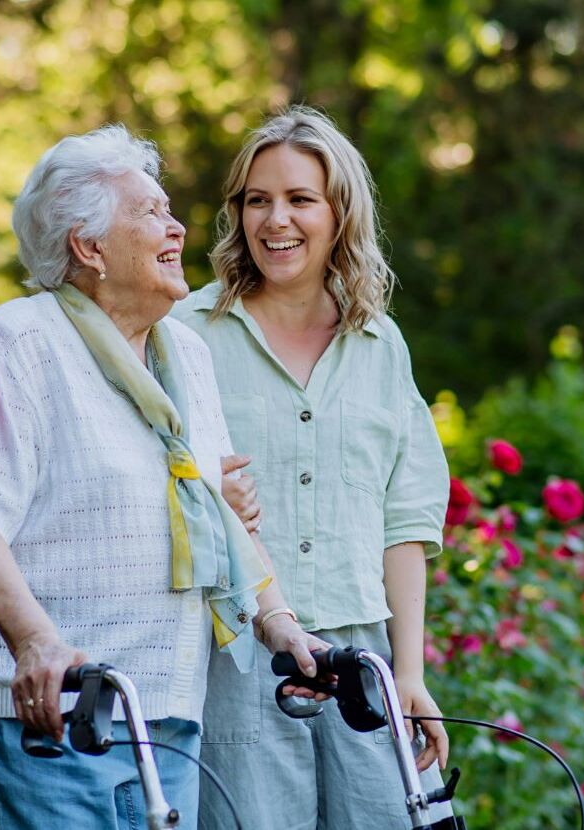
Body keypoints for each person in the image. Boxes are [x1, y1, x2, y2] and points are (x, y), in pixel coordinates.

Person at [0, 124, 327, 830]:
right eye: (151, 213)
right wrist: (35, 641)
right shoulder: (22, 340)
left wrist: (282, 625)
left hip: (167, 709)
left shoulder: (186, 354)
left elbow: (216, 515)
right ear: (89, 247)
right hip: (53, 714)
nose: (177, 226)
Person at [172, 105, 453, 829]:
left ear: (339, 213)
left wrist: (410, 676)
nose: (276, 221)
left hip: (363, 659)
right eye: (257, 200)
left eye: (300, 199)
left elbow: (406, 520)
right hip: (238, 658)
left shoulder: (380, 343)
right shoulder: (184, 336)